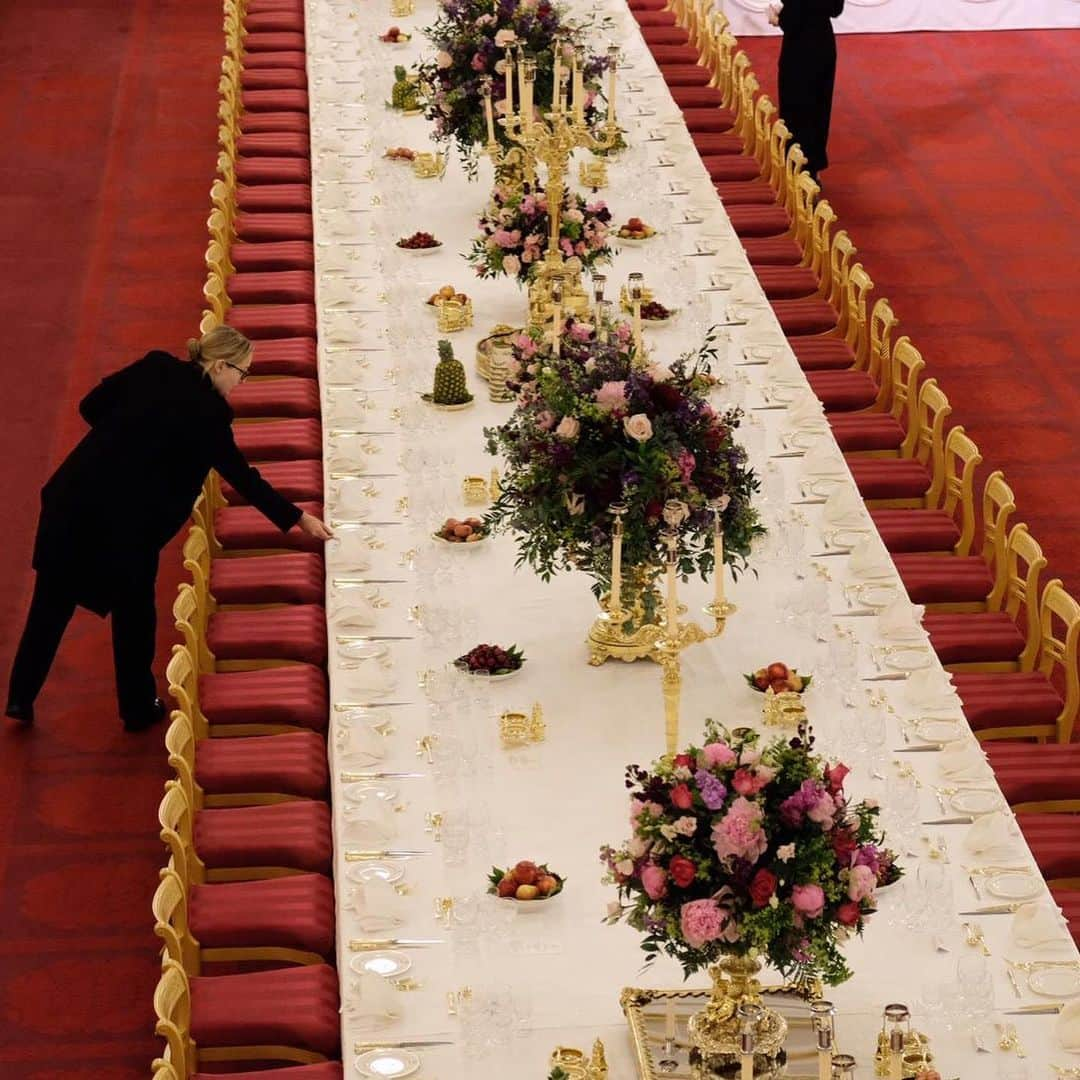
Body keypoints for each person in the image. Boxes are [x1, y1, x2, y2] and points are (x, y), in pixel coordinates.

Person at [5, 327, 332, 731]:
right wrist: (299, 519)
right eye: (242, 373)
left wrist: (122, 440)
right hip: (128, 525)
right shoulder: (210, 415)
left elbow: (90, 405)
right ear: (217, 365)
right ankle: (138, 708)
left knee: (49, 605)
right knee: (134, 617)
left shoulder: (156, 366)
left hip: (74, 499)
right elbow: (242, 477)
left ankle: (20, 697)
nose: (241, 383)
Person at [768, 1, 845, 181]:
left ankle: (797, 170)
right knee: (820, 107)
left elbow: (793, 19)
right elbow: (835, 9)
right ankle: (813, 167)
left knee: (796, 108)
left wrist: (777, 18)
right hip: (824, 43)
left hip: (800, 48)